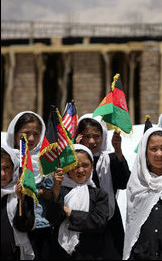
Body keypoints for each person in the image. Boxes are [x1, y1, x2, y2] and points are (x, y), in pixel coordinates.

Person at [123, 127, 162, 260]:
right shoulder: (136, 183)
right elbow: (132, 222)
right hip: (143, 253)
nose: (159, 154)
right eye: (153, 149)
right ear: (145, 152)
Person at [75, 114, 131, 259]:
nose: (92, 141)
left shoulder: (110, 159)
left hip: (109, 223)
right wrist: (73, 153)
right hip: (82, 221)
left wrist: (118, 151)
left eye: (96, 136)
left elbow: (124, 182)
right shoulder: (73, 160)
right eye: (86, 136)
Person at [6, 111, 54, 260]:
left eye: (36, 134)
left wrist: (34, 192)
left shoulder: (46, 159)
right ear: (14, 133)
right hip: (11, 225)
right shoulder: (7, 158)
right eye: (26, 134)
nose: (31, 138)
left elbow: (51, 192)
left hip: (41, 226)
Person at [48, 144, 109, 259]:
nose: (80, 170)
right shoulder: (60, 191)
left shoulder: (99, 194)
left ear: (92, 166)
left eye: (85, 165)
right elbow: (53, 218)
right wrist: (55, 189)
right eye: (75, 165)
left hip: (90, 253)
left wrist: (71, 213)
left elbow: (99, 222)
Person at [1, 144, 36, 260]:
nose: (2, 174)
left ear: (14, 168)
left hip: (13, 253)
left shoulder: (22, 192)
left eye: (6, 168)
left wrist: (22, 201)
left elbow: (25, 226)